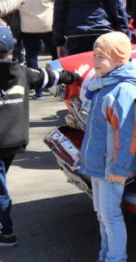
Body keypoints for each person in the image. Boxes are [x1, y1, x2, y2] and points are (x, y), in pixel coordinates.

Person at [0, 25, 84, 247]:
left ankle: (6, 232)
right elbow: (51, 77)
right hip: (13, 140)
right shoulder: (23, 72)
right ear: (12, 49)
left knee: (0, 191)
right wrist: (75, 75)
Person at [78, 32, 136, 262]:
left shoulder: (123, 90)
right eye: (94, 55)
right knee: (101, 213)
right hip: (97, 164)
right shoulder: (103, 84)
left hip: (110, 168)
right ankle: (105, 256)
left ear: (118, 60)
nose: (94, 61)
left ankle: (116, 258)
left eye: (101, 56)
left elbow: (126, 136)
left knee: (110, 215)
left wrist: (119, 169)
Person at [9, 0, 58, 80]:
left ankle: (36, 87)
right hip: (48, 23)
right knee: (55, 54)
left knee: (31, 56)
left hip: (27, 24)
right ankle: (55, 80)